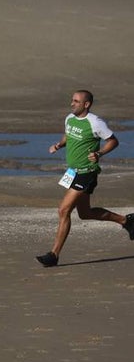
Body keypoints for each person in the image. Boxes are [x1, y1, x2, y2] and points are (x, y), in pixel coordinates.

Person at [37, 90, 134, 267]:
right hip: (73, 172)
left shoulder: (95, 123)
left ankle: (53, 255)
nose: (72, 103)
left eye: (76, 101)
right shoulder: (69, 118)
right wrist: (59, 145)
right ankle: (126, 221)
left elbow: (113, 141)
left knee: (63, 210)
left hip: (87, 172)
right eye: (72, 100)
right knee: (85, 213)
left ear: (86, 104)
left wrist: (99, 153)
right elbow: (69, 134)